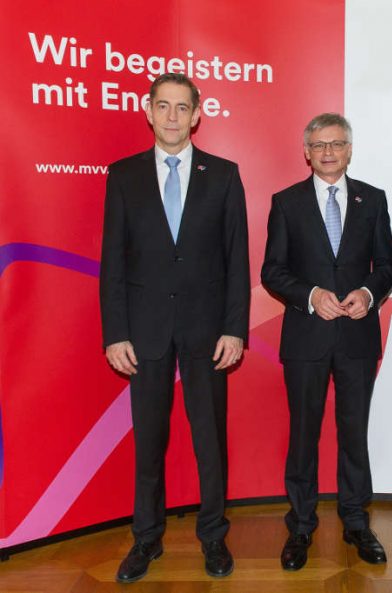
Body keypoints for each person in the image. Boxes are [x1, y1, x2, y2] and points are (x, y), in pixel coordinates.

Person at [100, 73, 250, 582]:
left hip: (209, 332)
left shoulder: (225, 175)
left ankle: (213, 537)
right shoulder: (122, 176)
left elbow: (237, 260)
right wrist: (115, 333)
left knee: (210, 441)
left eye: (180, 108)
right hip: (143, 334)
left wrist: (235, 330)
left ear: (197, 114)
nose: (171, 117)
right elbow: (113, 264)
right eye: (162, 106)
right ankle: (146, 539)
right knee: (148, 441)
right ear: (147, 111)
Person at [261, 113, 392, 570]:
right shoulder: (286, 202)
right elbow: (272, 271)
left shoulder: (373, 200)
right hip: (306, 338)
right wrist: (312, 295)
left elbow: (388, 265)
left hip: (357, 335)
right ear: (306, 152)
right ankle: (300, 525)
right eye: (319, 145)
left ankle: (357, 521)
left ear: (350, 149)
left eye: (337, 143)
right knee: (304, 435)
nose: (329, 152)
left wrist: (369, 292)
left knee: (354, 433)